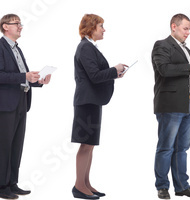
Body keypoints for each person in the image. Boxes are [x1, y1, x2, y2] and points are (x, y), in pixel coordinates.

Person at [0, 13, 52, 200]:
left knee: (16, 145)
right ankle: (0, 187)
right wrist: (25, 76)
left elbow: (22, 76)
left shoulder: (17, 49)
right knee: (3, 146)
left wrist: (38, 81)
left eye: (20, 24)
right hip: (6, 103)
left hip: (22, 101)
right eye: (16, 24)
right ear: (5, 26)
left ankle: (12, 184)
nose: (20, 26)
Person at [150, 13, 190, 199]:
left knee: (182, 148)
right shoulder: (161, 45)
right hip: (170, 105)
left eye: (189, 29)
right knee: (166, 147)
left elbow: (187, 79)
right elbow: (164, 69)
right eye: (185, 28)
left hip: (189, 102)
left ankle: (181, 186)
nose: (188, 32)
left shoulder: (186, 49)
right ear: (174, 26)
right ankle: (162, 186)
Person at [71, 13, 125, 200]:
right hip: (86, 102)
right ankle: (79, 186)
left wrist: (114, 74)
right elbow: (94, 75)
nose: (103, 29)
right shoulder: (85, 47)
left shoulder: (89, 47)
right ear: (91, 27)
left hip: (92, 101)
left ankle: (86, 183)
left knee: (90, 145)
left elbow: (96, 74)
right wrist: (114, 70)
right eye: (101, 26)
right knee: (85, 145)